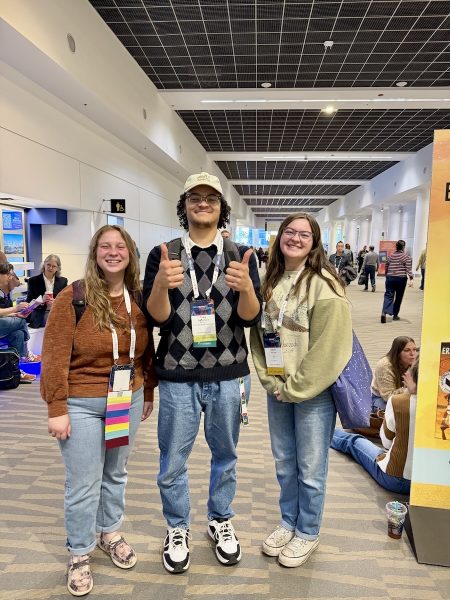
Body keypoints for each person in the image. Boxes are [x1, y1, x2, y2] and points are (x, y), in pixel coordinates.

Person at [143, 171, 261, 573]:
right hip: (177, 374)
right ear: (185, 204)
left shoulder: (241, 254)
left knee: (225, 454)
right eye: (196, 197)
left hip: (229, 374)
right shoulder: (165, 253)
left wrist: (246, 288)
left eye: (212, 197)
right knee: (173, 459)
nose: (204, 203)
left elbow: (249, 319)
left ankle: (220, 519)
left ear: (221, 206)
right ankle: (177, 527)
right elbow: (156, 318)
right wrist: (160, 284)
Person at [41, 225, 157, 597]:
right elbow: (54, 355)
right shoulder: (72, 296)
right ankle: (79, 552)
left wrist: (149, 387)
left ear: (129, 254)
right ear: (94, 253)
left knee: (116, 473)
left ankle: (110, 532)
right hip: (81, 403)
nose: (112, 252)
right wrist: (56, 406)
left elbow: (145, 350)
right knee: (84, 481)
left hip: (126, 397)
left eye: (119, 246)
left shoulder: (136, 296)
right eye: (104, 246)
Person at [250, 213, 352, 568]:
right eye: (289, 232)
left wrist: (296, 388)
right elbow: (260, 335)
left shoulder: (325, 284)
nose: (295, 238)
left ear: (315, 241)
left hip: (313, 393)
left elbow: (331, 348)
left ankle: (307, 531)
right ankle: (288, 522)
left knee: (310, 467)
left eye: (303, 234)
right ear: (279, 238)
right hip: (278, 388)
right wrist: (269, 379)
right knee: (284, 463)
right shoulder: (271, 280)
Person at [331, 356, 418, 495]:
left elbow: (386, 443)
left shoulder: (399, 402)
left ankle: (326, 434)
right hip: (432, 483)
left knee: (355, 442)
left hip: (395, 479)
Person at [0, 262, 39, 382]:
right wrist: (16, 309)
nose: (9, 277)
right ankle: (26, 355)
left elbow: (3, 313)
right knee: (21, 322)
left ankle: (16, 371)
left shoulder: (5, 290)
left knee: (18, 334)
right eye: (7, 274)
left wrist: (14, 314)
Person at [371, 336, 417, 410]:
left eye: (414, 349)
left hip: (407, 395)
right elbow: (388, 397)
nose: (412, 354)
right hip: (382, 398)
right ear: (398, 353)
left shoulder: (415, 363)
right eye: (407, 350)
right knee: (396, 412)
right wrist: (409, 390)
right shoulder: (384, 366)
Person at [26, 254, 68, 328]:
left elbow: (66, 301)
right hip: (40, 313)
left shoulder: (63, 281)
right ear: (44, 264)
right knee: (54, 320)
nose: (50, 268)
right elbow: (28, 304)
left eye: (54, 266)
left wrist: (56, 303)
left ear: (58, 268)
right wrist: (41, 301)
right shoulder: (33, 281)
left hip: (57, 312)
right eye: (48, 265)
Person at [381, 239, 413, 323]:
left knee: (388, 295)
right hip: (401, 279)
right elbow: (408, 269)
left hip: (390, 278)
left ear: (396, 247)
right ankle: (395, 315)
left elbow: (386, 267)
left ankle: (384, 312)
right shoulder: (406, 257)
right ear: (403, 247)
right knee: (398, 297)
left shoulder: (390, 256)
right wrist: (411, 278)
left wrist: (387, 275)